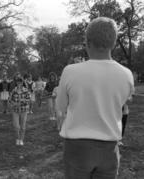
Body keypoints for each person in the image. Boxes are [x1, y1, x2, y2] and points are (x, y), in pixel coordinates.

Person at [56, 17, 134, 179]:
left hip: (77, 147)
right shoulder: (126, 75)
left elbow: (61, 107)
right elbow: (123, 106)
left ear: (87, 42)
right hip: (109, 148)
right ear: (113, 43)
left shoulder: (70, 71)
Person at [9, 77, 30, 146]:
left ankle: (21, 139)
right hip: (15, 110)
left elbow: (28, 100)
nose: (19, 83)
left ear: (22, 83)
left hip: (24, 110)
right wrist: (13, 103)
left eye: (20, 82)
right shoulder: (13, 90)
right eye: (18, 82)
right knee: (16, 126)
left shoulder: (26, 90)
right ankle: (17, 138)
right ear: (16, 82)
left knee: (23, 126)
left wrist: (21, 102)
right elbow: (9, 99)